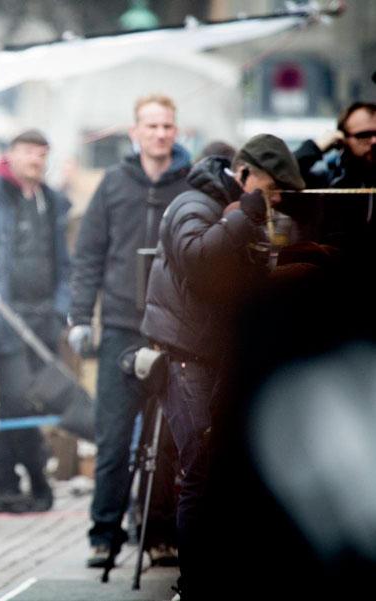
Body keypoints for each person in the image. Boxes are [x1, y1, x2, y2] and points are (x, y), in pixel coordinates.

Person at [140, 133, 305, 600]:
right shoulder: (193, 203)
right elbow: (199, 259)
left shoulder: (223, 208)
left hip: (211, 355)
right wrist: (250, 213)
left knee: (216, 473)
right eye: (270, 190)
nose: (271, 201)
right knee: (201, 473)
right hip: (186, 357)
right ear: (246, 175)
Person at [69, 94, 191, 566]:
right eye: (151, 125)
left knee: (168, 441)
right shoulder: (113, 184)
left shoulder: (189, 184)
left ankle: (158, 532)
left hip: (173, 330)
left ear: (175, 132)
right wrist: (81, 318)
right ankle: (104, 534)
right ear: (134, 132)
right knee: (114, 437)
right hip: (121, 327)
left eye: (167, 125)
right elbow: (89, 257)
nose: (160, 133)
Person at [0, 129, 71, 512]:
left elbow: (64, 263)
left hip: (44, 318)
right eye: (28, 153)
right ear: (12, 154)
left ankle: (3, 479)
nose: (35, 160)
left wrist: (61, 309)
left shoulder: (52, 202)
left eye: (41, 153)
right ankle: (37, 480)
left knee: (23, 402)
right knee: (19, 399)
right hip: (7, 317)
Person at [294, 101, 376, 190]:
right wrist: (315, 147)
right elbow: (283, 175)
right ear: (343, 139)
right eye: (363, 135)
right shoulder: (329, 178)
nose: (374, 141)